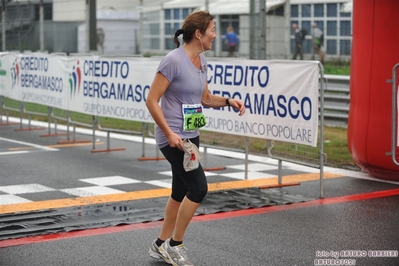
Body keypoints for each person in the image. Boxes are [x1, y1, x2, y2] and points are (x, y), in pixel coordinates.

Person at [145, 10, 245, 266]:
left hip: (191, 135)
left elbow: (204, 98)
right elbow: (152, 100)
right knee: (199, 188)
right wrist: (169, 133)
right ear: (198, 34)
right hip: (174, 138)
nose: (215, 34)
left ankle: (159, 246)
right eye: (212, 29)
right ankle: (174, 246)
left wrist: (228, 101)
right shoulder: (173, 61)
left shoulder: (202, 61)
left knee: (180, 191)